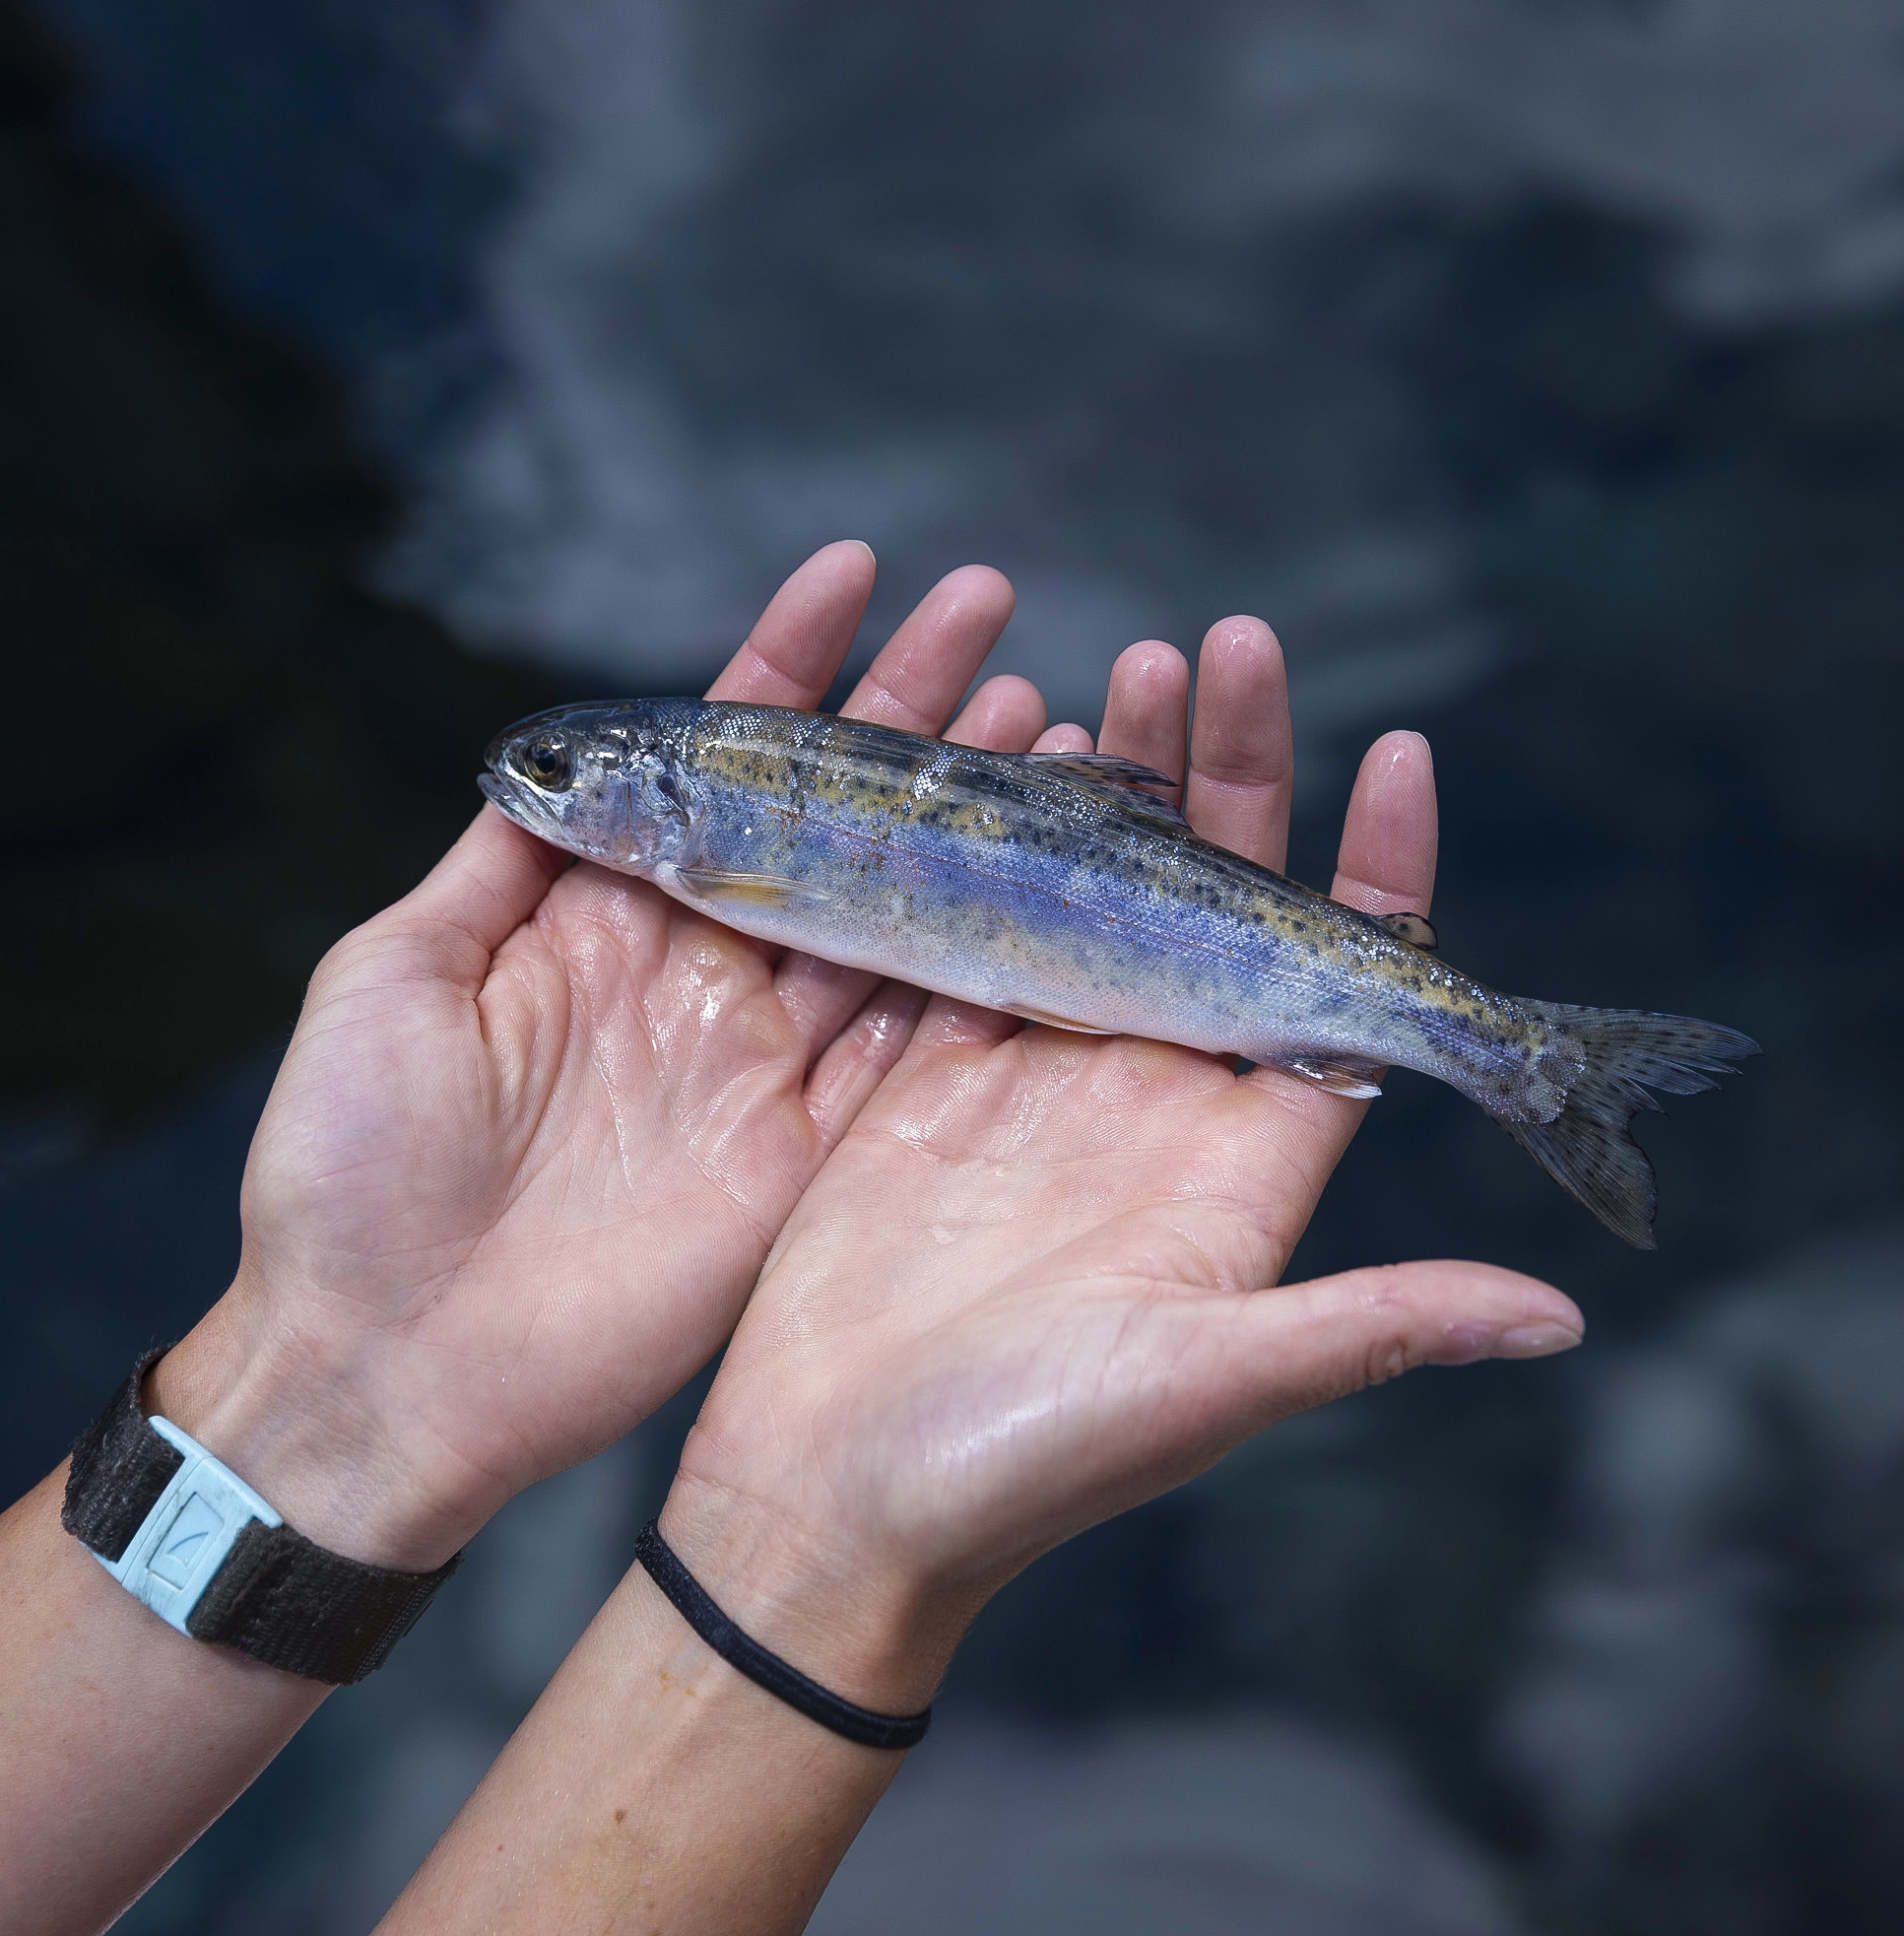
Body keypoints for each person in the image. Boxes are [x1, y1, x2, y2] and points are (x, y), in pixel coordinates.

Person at [0, 543, 1582, 1936]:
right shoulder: (696, 833)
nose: (531, 791)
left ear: (655, 794)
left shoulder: (723, 835)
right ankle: (1503, 1051)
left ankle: (1505, 1051)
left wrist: (329, 1396)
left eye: (560, 776)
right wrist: (351, 1377)